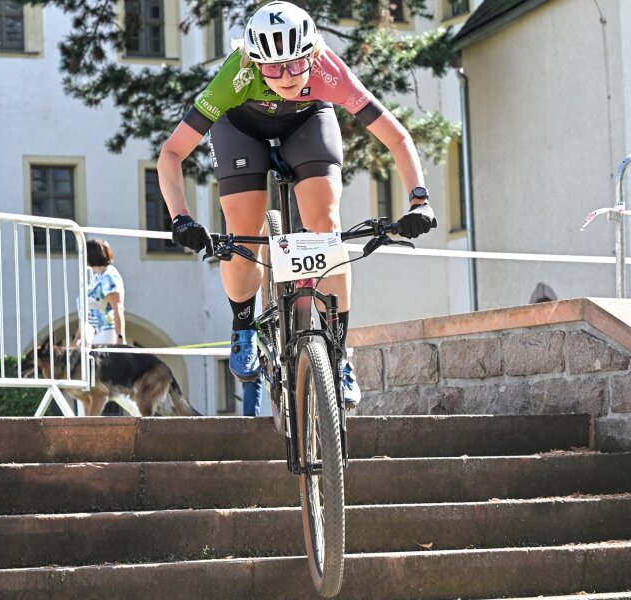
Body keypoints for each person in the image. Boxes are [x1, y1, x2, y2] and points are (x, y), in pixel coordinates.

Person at [157, 1, 436, 409]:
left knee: (326, 225)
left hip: (307, 122)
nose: (284, 76)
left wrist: (419, 201)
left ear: (312, 54)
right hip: (240, 129)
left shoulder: (329, 71)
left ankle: (339, 352)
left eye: (293, 64)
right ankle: (243, 325)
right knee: (242, 234)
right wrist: (181, 218)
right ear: (253, 62)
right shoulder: (235, 75)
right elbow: (171, 154)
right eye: (271, 67)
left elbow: (397, 137)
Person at [74, 238, 126, 346]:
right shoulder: (96, 277)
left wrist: (120, 337)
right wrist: (77, 339)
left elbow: (118, 308)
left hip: (106, 332)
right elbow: (88, 313)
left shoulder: (109, 276)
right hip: (94, 334)